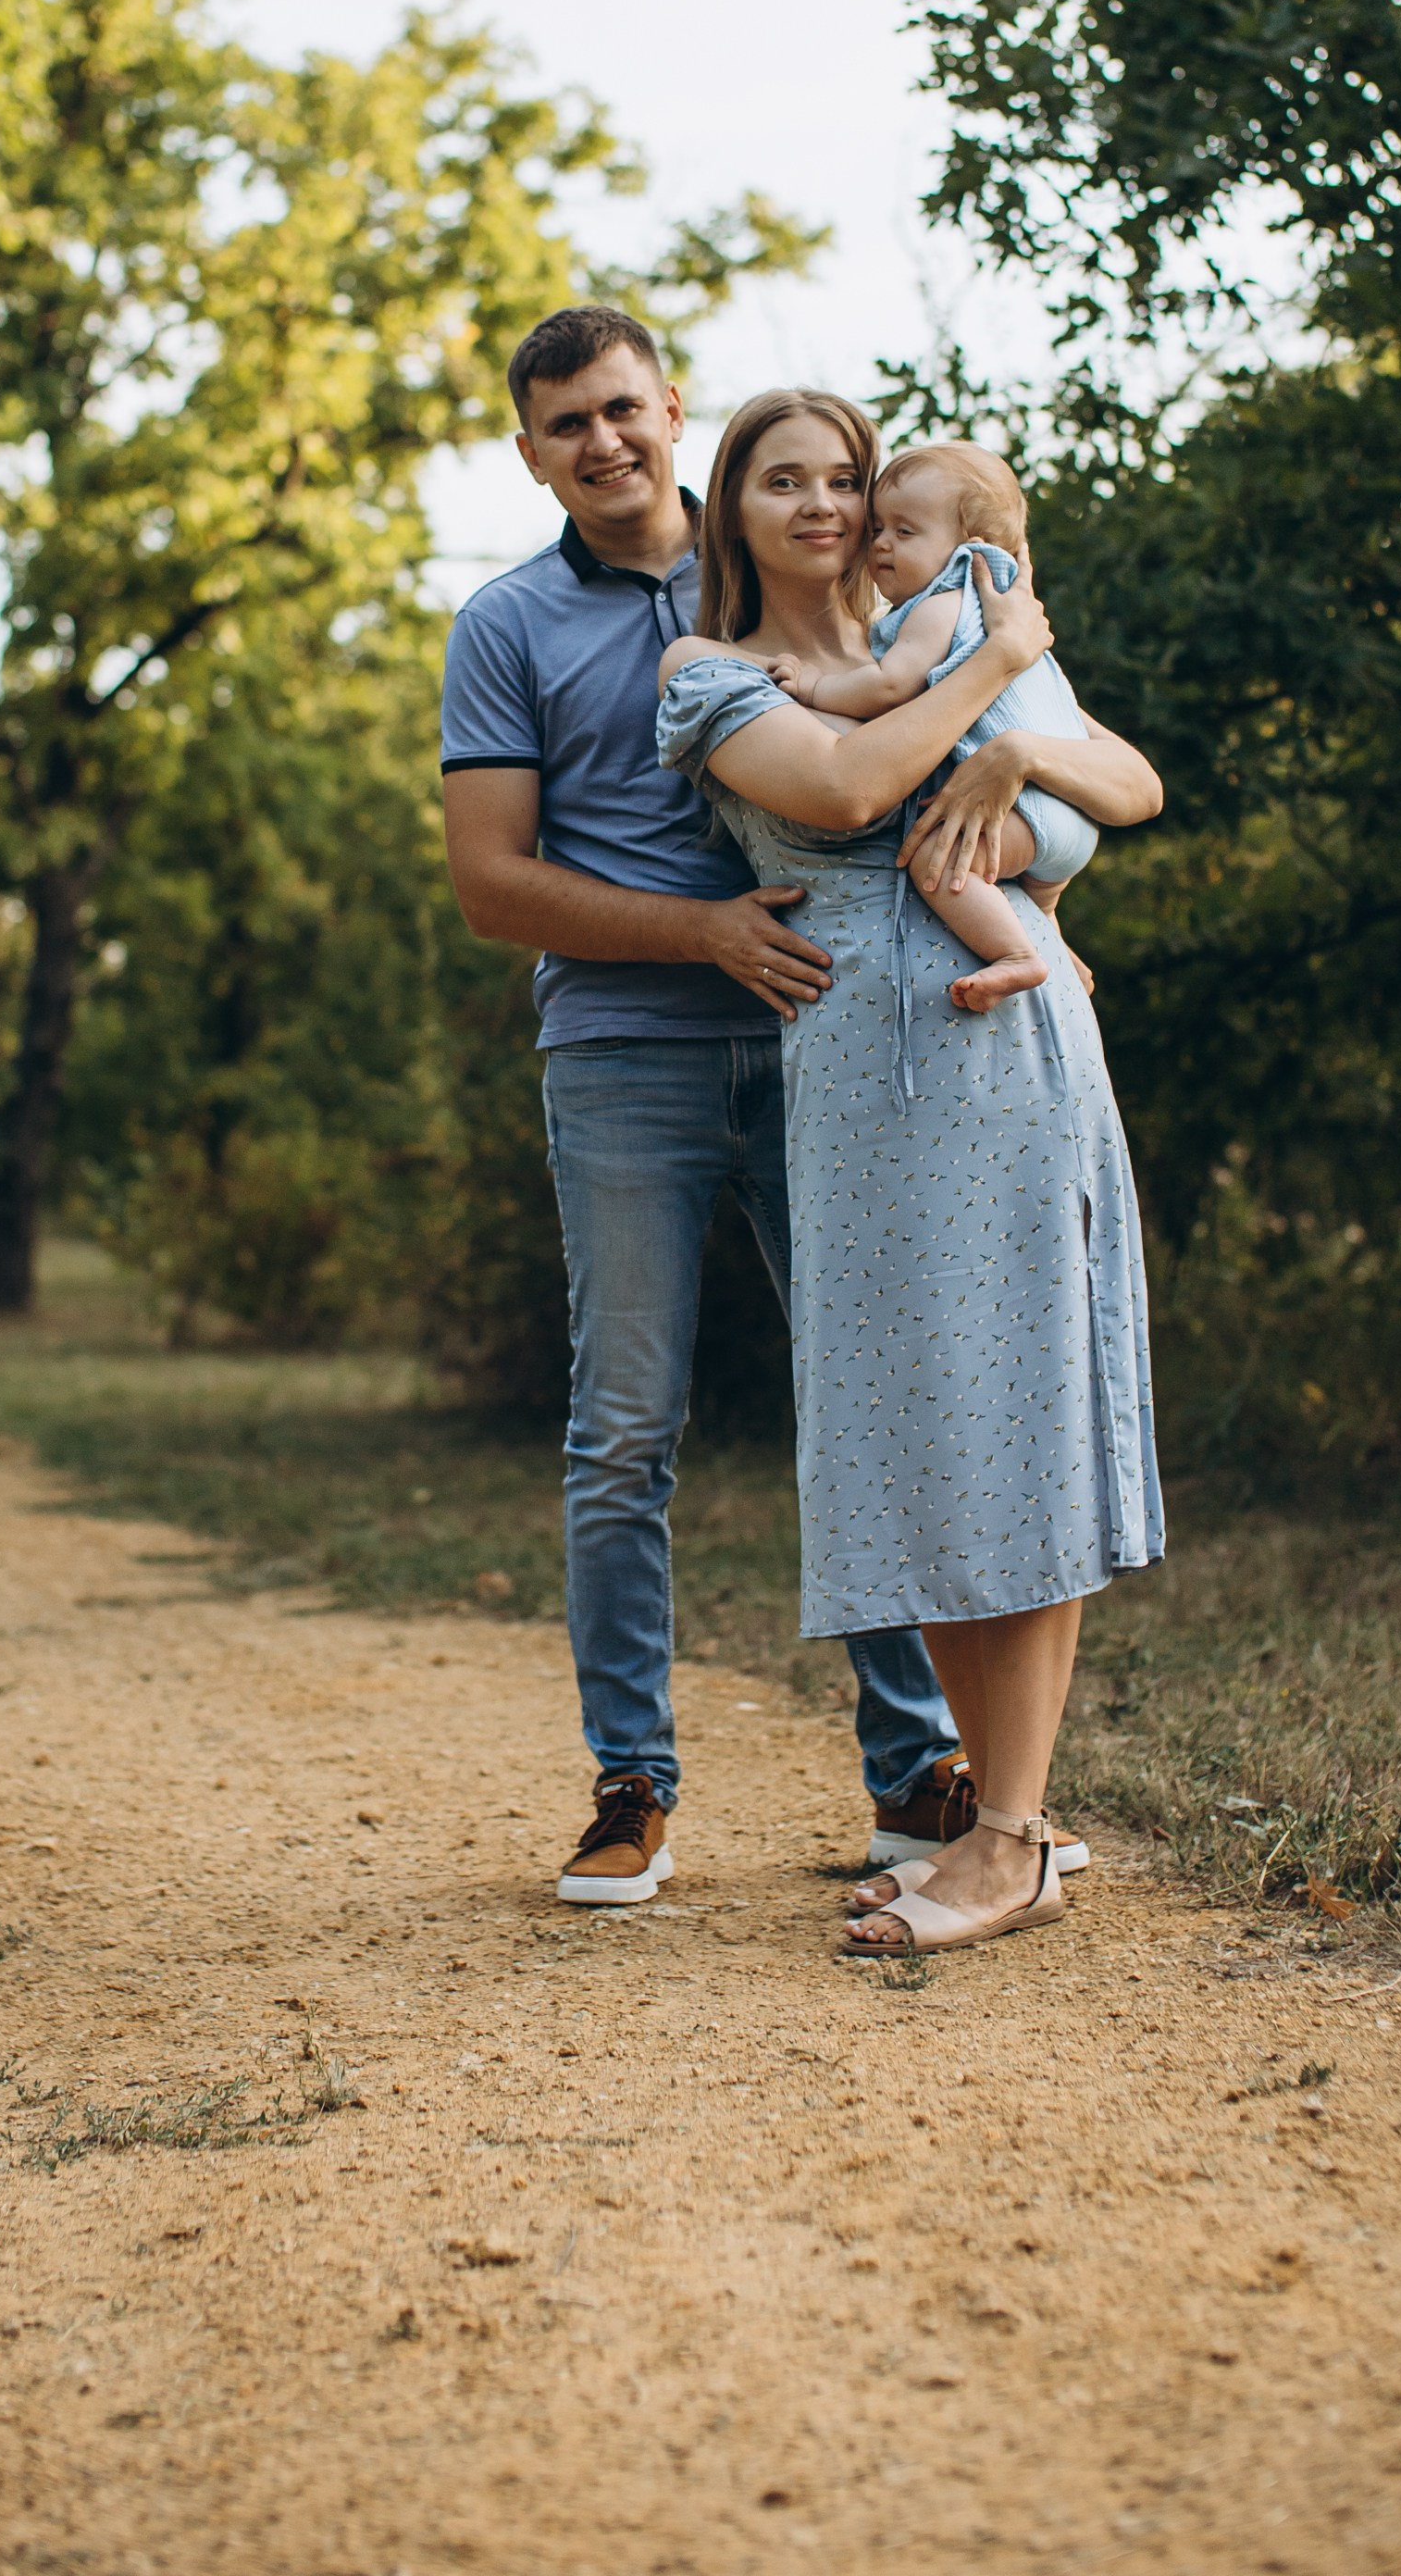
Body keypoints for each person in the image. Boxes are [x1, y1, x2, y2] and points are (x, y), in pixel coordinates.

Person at [440, 306, 970, 1903]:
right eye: (561, 427)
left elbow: (940, 739)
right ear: (529, 453)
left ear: (673, 409)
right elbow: (488, 885)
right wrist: (702, 935)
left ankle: (917, 1775)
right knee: (624, 1432)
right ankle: (632, 1786)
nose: (600, 443)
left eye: (619, 410)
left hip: (822, 1036)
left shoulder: (782, 566)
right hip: (625, 1055)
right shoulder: (505, 626)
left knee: (869, 1396)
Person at [656, 388, 1166, 1953]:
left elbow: (1131, 788)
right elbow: (849, 792)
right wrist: (1007, 691)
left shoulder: (954, 636)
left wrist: (1025, 769)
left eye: (848, 481)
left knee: (1017, 1409)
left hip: (1002, 1065)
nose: (823, 507)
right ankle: (989, 1823)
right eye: (784, 482)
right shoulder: (711, 674)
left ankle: (1007, 1837)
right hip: (860, 1087)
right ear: (730, 512)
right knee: (913, 1430)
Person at [766, 439, 1098, 1012]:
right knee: (1032, 894)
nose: (882, 545)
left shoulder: (943, 603)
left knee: (936, 859)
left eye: (905, 531)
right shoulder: (996, 617)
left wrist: (812, 687)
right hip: (1070, 810)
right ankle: (1049, 932)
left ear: (969, 550)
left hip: (1026, 812)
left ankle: (1018, 956)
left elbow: (892, 687)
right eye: (877, 529)